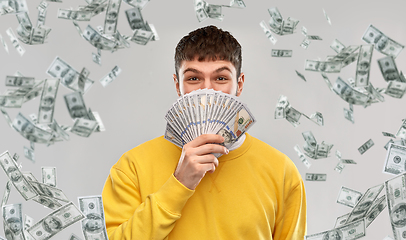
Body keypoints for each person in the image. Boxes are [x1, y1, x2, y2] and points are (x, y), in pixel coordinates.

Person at [102, 25, 307, 239]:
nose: (207, 90)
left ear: (239, 84)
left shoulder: (282, 172)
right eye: (193, 78)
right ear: (177, 85)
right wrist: (179, 184)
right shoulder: (132, 167)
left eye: (220, 78)